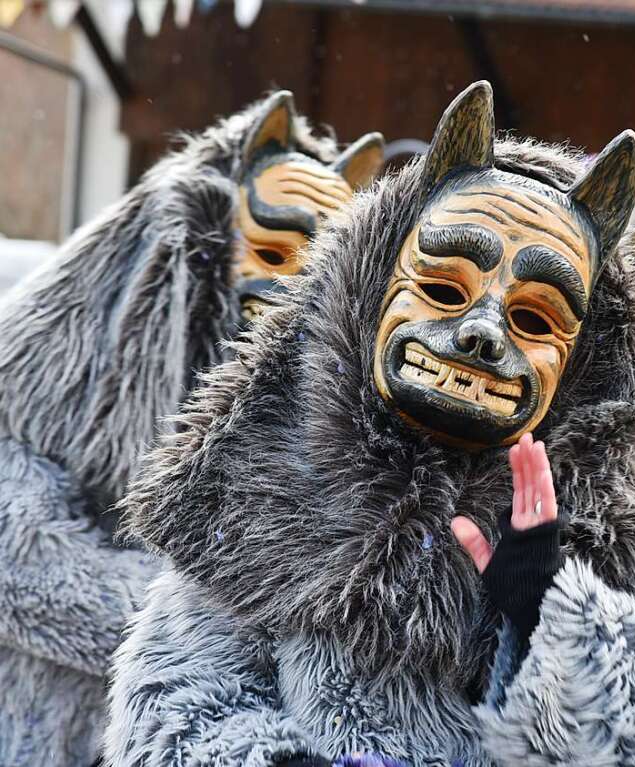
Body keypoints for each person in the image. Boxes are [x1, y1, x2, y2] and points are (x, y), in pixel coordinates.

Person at [105, 82, 635, 767]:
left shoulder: (634, 512)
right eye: (442, 290)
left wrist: (554, 613)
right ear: (373, 289)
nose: (482, 333)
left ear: (583, 353)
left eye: (532, 318)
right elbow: (173, 703)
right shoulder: (273, 464)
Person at [0, 92, 383, 767]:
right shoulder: (60, 346)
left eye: (316, 268)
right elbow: (21, 563)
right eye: (271, 249)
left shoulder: (323, 404)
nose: (290, 285)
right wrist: (209, 618)